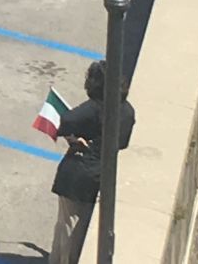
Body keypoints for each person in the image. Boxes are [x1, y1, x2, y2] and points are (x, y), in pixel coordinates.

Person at [49, 61, 135, 264]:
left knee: (68, 227)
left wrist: (76, 139)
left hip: (78, 175)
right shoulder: (128, 112)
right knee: (81, 226)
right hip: (101, 175)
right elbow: (120, 144)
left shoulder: (94, 108)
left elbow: (66, 120)